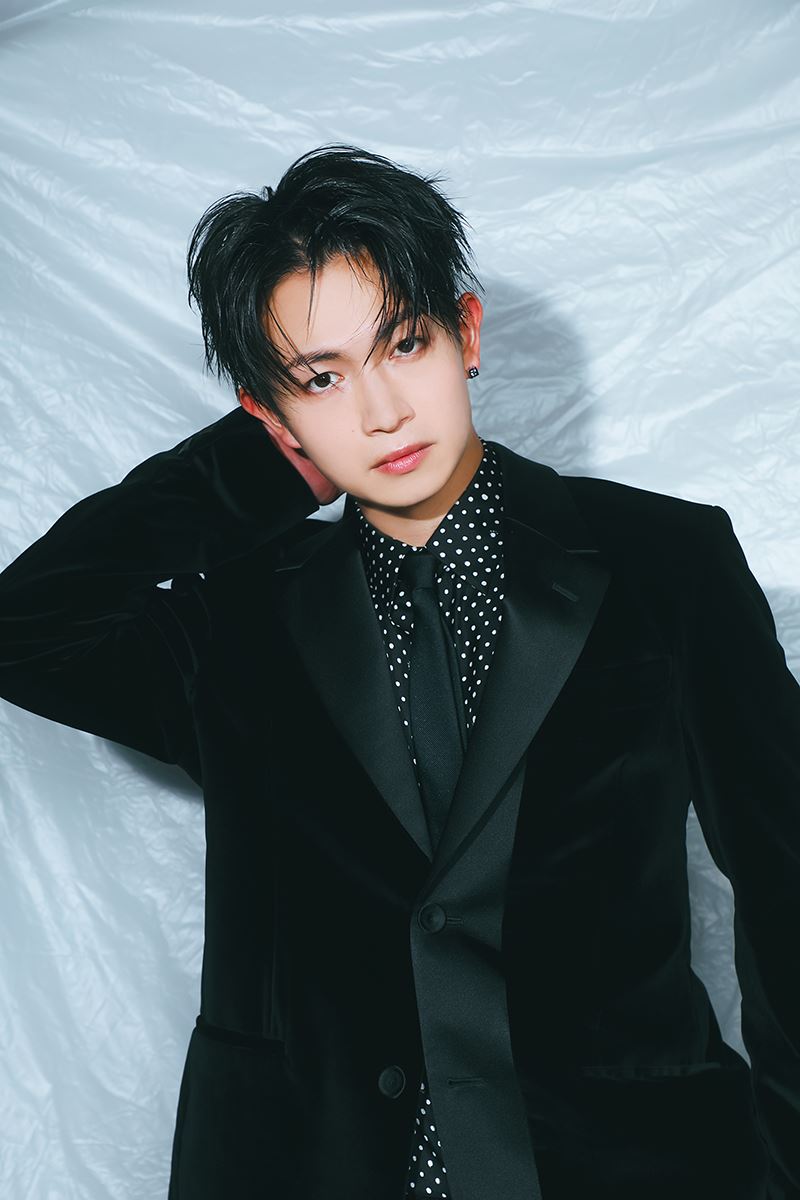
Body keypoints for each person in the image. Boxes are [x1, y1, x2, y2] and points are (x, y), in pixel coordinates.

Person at [0, 143, 797, 1200]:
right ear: (266, 409)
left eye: (404, 343)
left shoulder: (666, 564)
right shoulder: (236, 621)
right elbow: (24, 630)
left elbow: (786, 875)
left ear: (466, 333)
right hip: (307, 1165)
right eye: (321, 377)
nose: (380, 412)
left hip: (624, 1163)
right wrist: (244, 474)